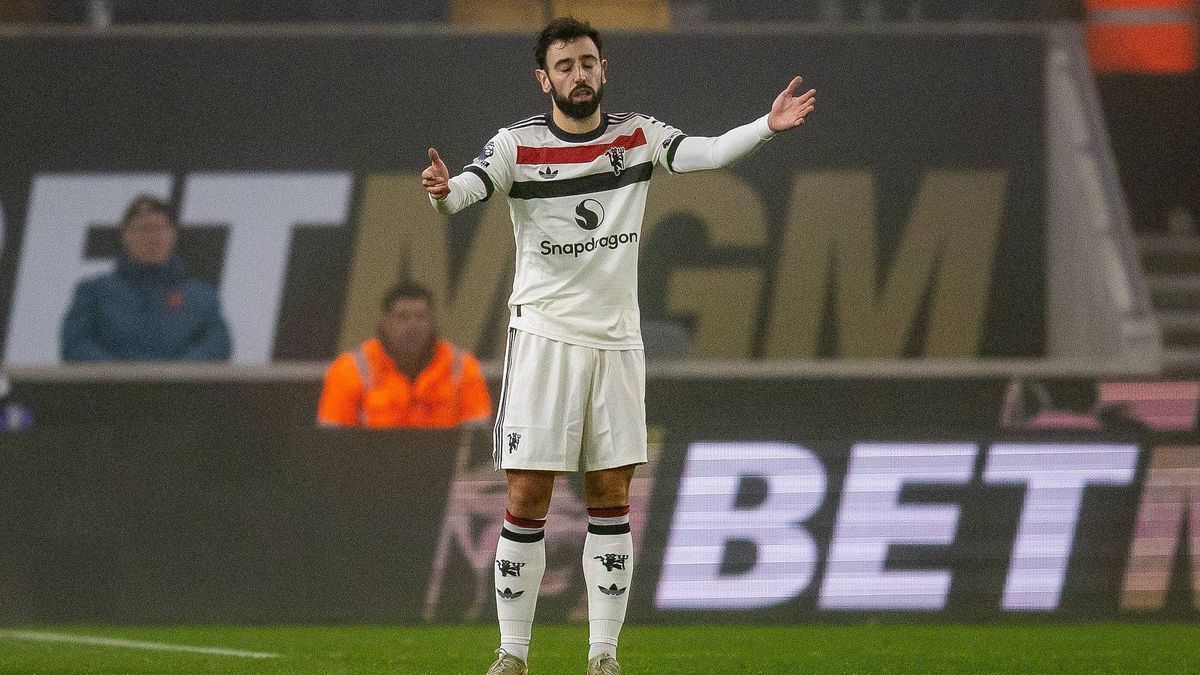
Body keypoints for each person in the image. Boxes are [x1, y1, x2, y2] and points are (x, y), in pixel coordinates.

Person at [421, 17, 816, 675]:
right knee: (525, 496)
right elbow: (465, 190)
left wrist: (765, 126)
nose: (579, 74)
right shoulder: (516, 144)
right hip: (544, 341)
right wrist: (441, 195)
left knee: (610, 494)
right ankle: (512, 654)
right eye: (565, 65)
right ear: (543, 79)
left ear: (603, 69)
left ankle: (603, 654)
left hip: (617, 346)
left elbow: (708, 153)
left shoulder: (635, 136)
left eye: (588, 62)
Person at [61, 195, 231, 362]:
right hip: (111, 389)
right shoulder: (93, 292)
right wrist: (122, 378)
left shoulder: (201, 295)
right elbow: (76, 344)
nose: (152, 236)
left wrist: (172, 377)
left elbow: (217, 346)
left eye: (159, 228)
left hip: (179, 389)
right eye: (143, 229)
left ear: (172, 235)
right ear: (126, 236)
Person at [317, 281, 492, 429]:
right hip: (370, 467)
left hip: (442, 467)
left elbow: (478, 448)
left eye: (421, 317)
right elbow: (333, 449)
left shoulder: (463, 367)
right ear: (384, 324)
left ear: (433, 323)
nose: (412, 327)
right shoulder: (349, 369)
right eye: (402, 317)